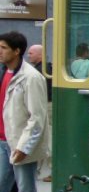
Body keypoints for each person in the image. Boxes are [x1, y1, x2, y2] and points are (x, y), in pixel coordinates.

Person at [0, 31, 49, 192]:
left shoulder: (32, 77)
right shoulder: (4, 71)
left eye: (4, 48)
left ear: (17, 51)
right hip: (3, 141)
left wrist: (24, 147)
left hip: (19, 144)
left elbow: (37, 117)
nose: (0, 52)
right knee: (1, 190)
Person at [27, 44, 52, 182]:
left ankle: (51, 169)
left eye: (31, 53)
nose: (28, 55)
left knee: (48, 138)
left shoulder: (41, 71)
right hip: (44, 105)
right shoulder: (43, 69)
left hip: (46, 106)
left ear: (40, 55)